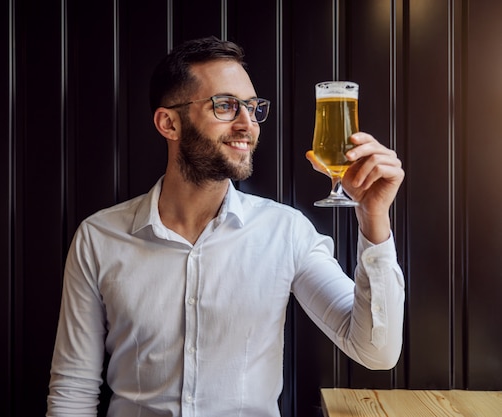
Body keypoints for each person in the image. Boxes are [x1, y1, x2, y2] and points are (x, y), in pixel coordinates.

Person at [46, 36, 405, 417]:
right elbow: (74, 388)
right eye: (226, 106)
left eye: (252, 107)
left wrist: (373, 217)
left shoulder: (286, 233)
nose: (247, 124)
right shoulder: (99, 238)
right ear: (169, 123)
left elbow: (375, 351)